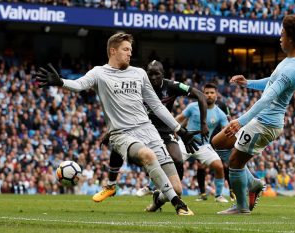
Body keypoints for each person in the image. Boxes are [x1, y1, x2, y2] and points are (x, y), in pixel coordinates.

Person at [33, 33, 198, 215]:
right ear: (113, 51)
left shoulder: (139, 73)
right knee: (147, 155)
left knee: (177, 187)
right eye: (126, 49)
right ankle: (179, 205)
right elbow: (79, 85)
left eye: (130, 50)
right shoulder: (99, 73)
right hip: (122, 134)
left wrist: (179, 130)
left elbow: (157, 106)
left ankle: (159, 199)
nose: (129, 54)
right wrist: (61, 82)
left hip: (148, 130)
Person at [214, 15, 295, 214]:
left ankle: (242, 207)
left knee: (234, 161)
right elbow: (273, 81)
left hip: (266, 124)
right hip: (261, 120)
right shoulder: (294, 61)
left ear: (291, 38)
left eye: (282, 33)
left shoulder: (294, 68)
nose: (280, 37)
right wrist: (248, 83)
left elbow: (268, 98)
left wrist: (241, 121)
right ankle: (253, 183)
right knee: (218, 142)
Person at [136, 60, 209, 198]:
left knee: (178, 160)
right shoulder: (139, 87)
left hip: (165, 130)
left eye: (156, 74)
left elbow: (200, 95)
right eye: (150, 74)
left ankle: (173, 194)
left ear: (163, 74)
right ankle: (152, 186)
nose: (153, 78)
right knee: (151, 160)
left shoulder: (171, 86)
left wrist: (203, 123)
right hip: (145, 130)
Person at [176, 83, 229, 203]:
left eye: (212, 93)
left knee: (219, 167)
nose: (209, 95)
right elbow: (179, 119)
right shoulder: (192, 107)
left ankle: (218, 195)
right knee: (169, 161)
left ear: (216, 95)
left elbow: (226, 131)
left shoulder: (220, 114)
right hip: (186, 143)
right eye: (207, 93)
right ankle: (151, 188)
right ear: (202, 94)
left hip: (204, 146)